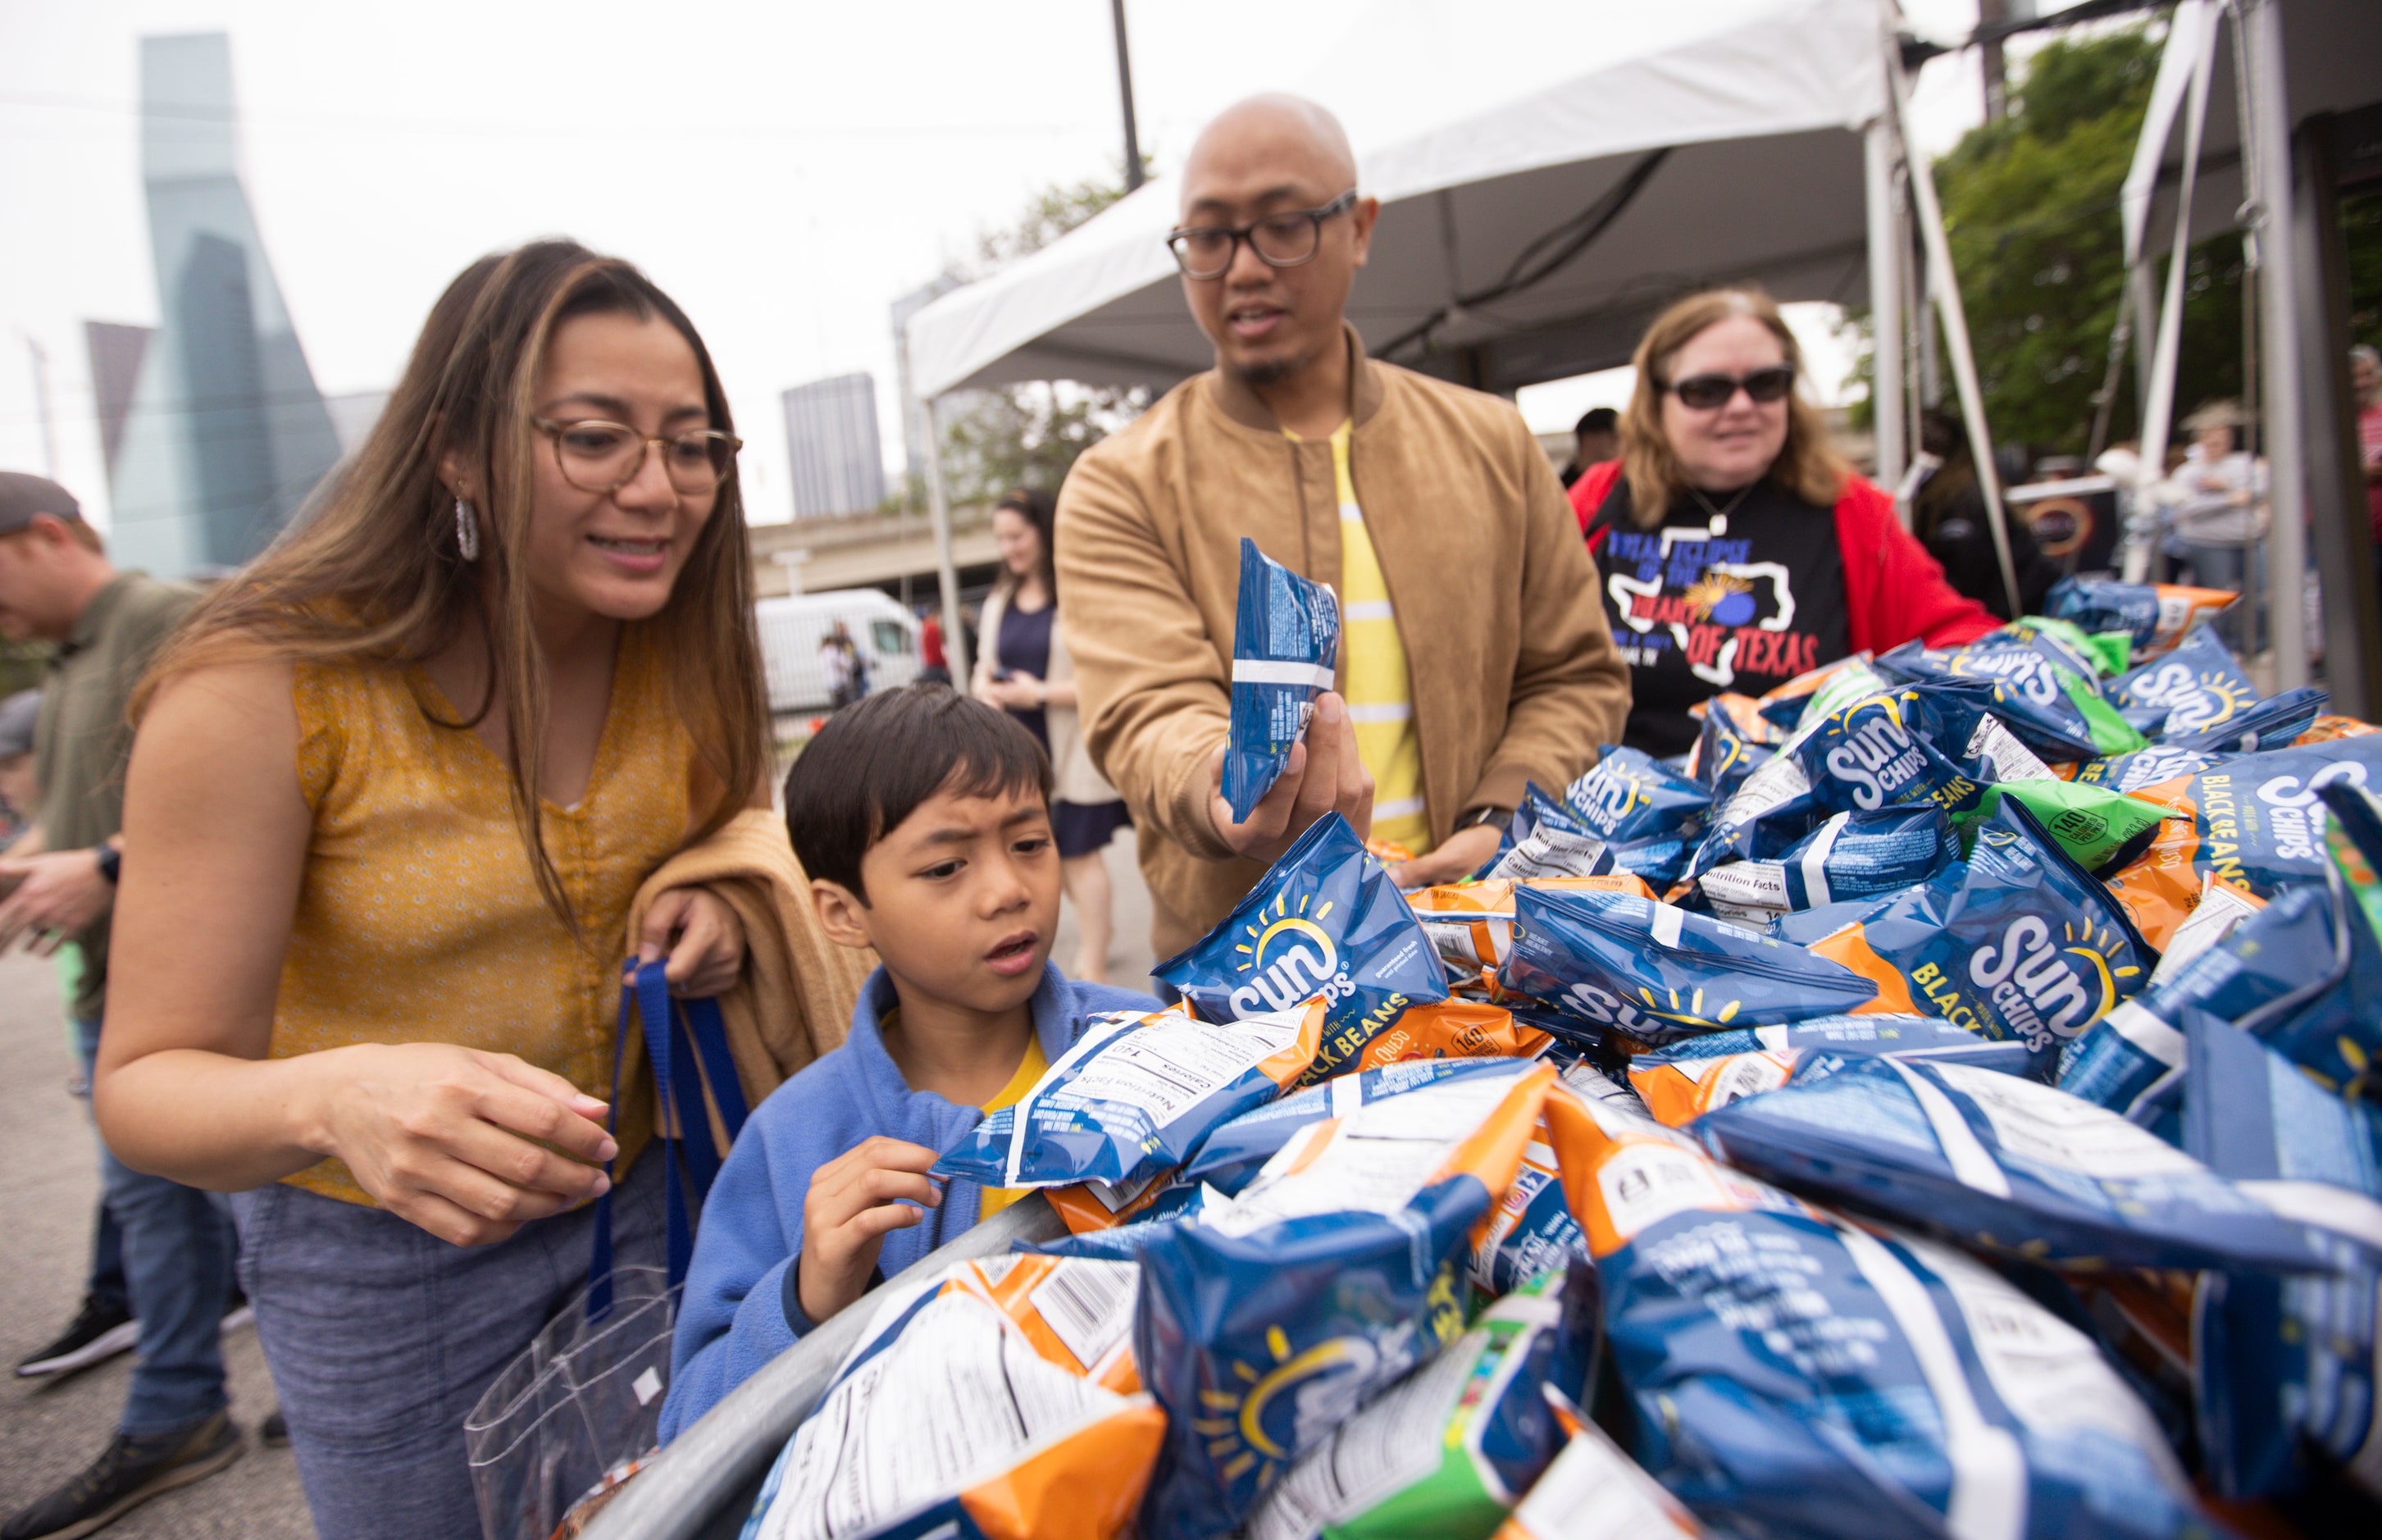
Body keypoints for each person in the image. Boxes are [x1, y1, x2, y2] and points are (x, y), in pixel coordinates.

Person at [89, 242, 769, 1539]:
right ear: (454, 451)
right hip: (380, 1275)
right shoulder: (260, 683)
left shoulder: (681, 646)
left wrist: (724, 886)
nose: (659, 487)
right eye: (593, 438)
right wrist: (336, 1095)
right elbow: (144, 1083)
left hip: (656, 1204)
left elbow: (739, 811)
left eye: (693, 446)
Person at [1056, 95, 1631, 956]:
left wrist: (1501, 817)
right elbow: (1146, 711)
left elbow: (1575, 675)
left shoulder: (1490, 443)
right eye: (1210, 237)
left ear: (1359, 228)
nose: (1244, 267)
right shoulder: (1121, 483)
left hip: (1487, 940)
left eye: (1283, 224)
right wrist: (1224, 783)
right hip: (1248, 978)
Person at [660, 686, 1155, 1437]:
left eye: (1029, 843)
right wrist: (807, 1297)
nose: (1007, 890)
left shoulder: (1150, 1047)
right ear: (842, 912)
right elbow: (691, 1431)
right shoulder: (791, 1141)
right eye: (946, 867)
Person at [0, 475, 248, 1540]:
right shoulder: (66, 660)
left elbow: (255, 784)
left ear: (43, 536)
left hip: (175, 980)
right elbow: (77, 815)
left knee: (179, 1202)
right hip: (109, 979)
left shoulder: (162, 620)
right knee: (184, 1207)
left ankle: (176, 1407)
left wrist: (105, 862)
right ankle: (184, 1397)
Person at [1570, 287, 1997, 757]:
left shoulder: (1850, 508)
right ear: (1656, 403)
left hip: (1802, 810)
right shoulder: (1598, 501)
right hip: (1622, 804)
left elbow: (1957, 639)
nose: (1740, 406)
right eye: (1707, 390)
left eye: (1765, 384)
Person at [973, 489, 1132, 983]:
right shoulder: (1000, 601)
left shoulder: (1077, 597)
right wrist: (989, 692)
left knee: (1080, 857)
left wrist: (1037, 693)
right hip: (1020, 756)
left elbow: (1106, 677)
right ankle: (1092, 948)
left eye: (1017, 536)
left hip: (1073, 751)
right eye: (1002, 538)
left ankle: (1094, 969)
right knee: (1048, 858)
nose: (1010, 548)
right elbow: (983, 667)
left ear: (1043, 530)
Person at [1908, 410, 2065, 622]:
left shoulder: (1959, 500)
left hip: (2013, 612)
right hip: (2019, 605)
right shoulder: (1961, 490)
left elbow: (1965, 572)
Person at [2163, 399, 2267, 651]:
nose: (2216, 446)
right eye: (2210, 442)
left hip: (2248, 539)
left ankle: (2258, 645)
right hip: (2207, 543)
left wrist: (2226, 489)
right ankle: (2223, 647)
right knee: (2216, 600)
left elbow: (2261, 490)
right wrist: (2228, 499)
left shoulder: (2246, 464)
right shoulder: (2187, 473)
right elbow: (2184, 507)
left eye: (2221, 441)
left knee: (2259, 595)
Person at [2352, 344, 2381, 581]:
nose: (2362, 382)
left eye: (2368, 374)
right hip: (2348, 540)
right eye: (2355, 376)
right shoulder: (2330, 421)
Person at [1560, 407, 1619, 489]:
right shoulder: (1561, 489)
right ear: (1590, 438)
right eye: (1614, 437)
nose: (1619, 445)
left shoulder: (1616, 484)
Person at [916, 606, 950, 687]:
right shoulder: (932, 627)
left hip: (929, 664)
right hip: (936, 664)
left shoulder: (924, 626)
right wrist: (944, 663)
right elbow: (937, 649)